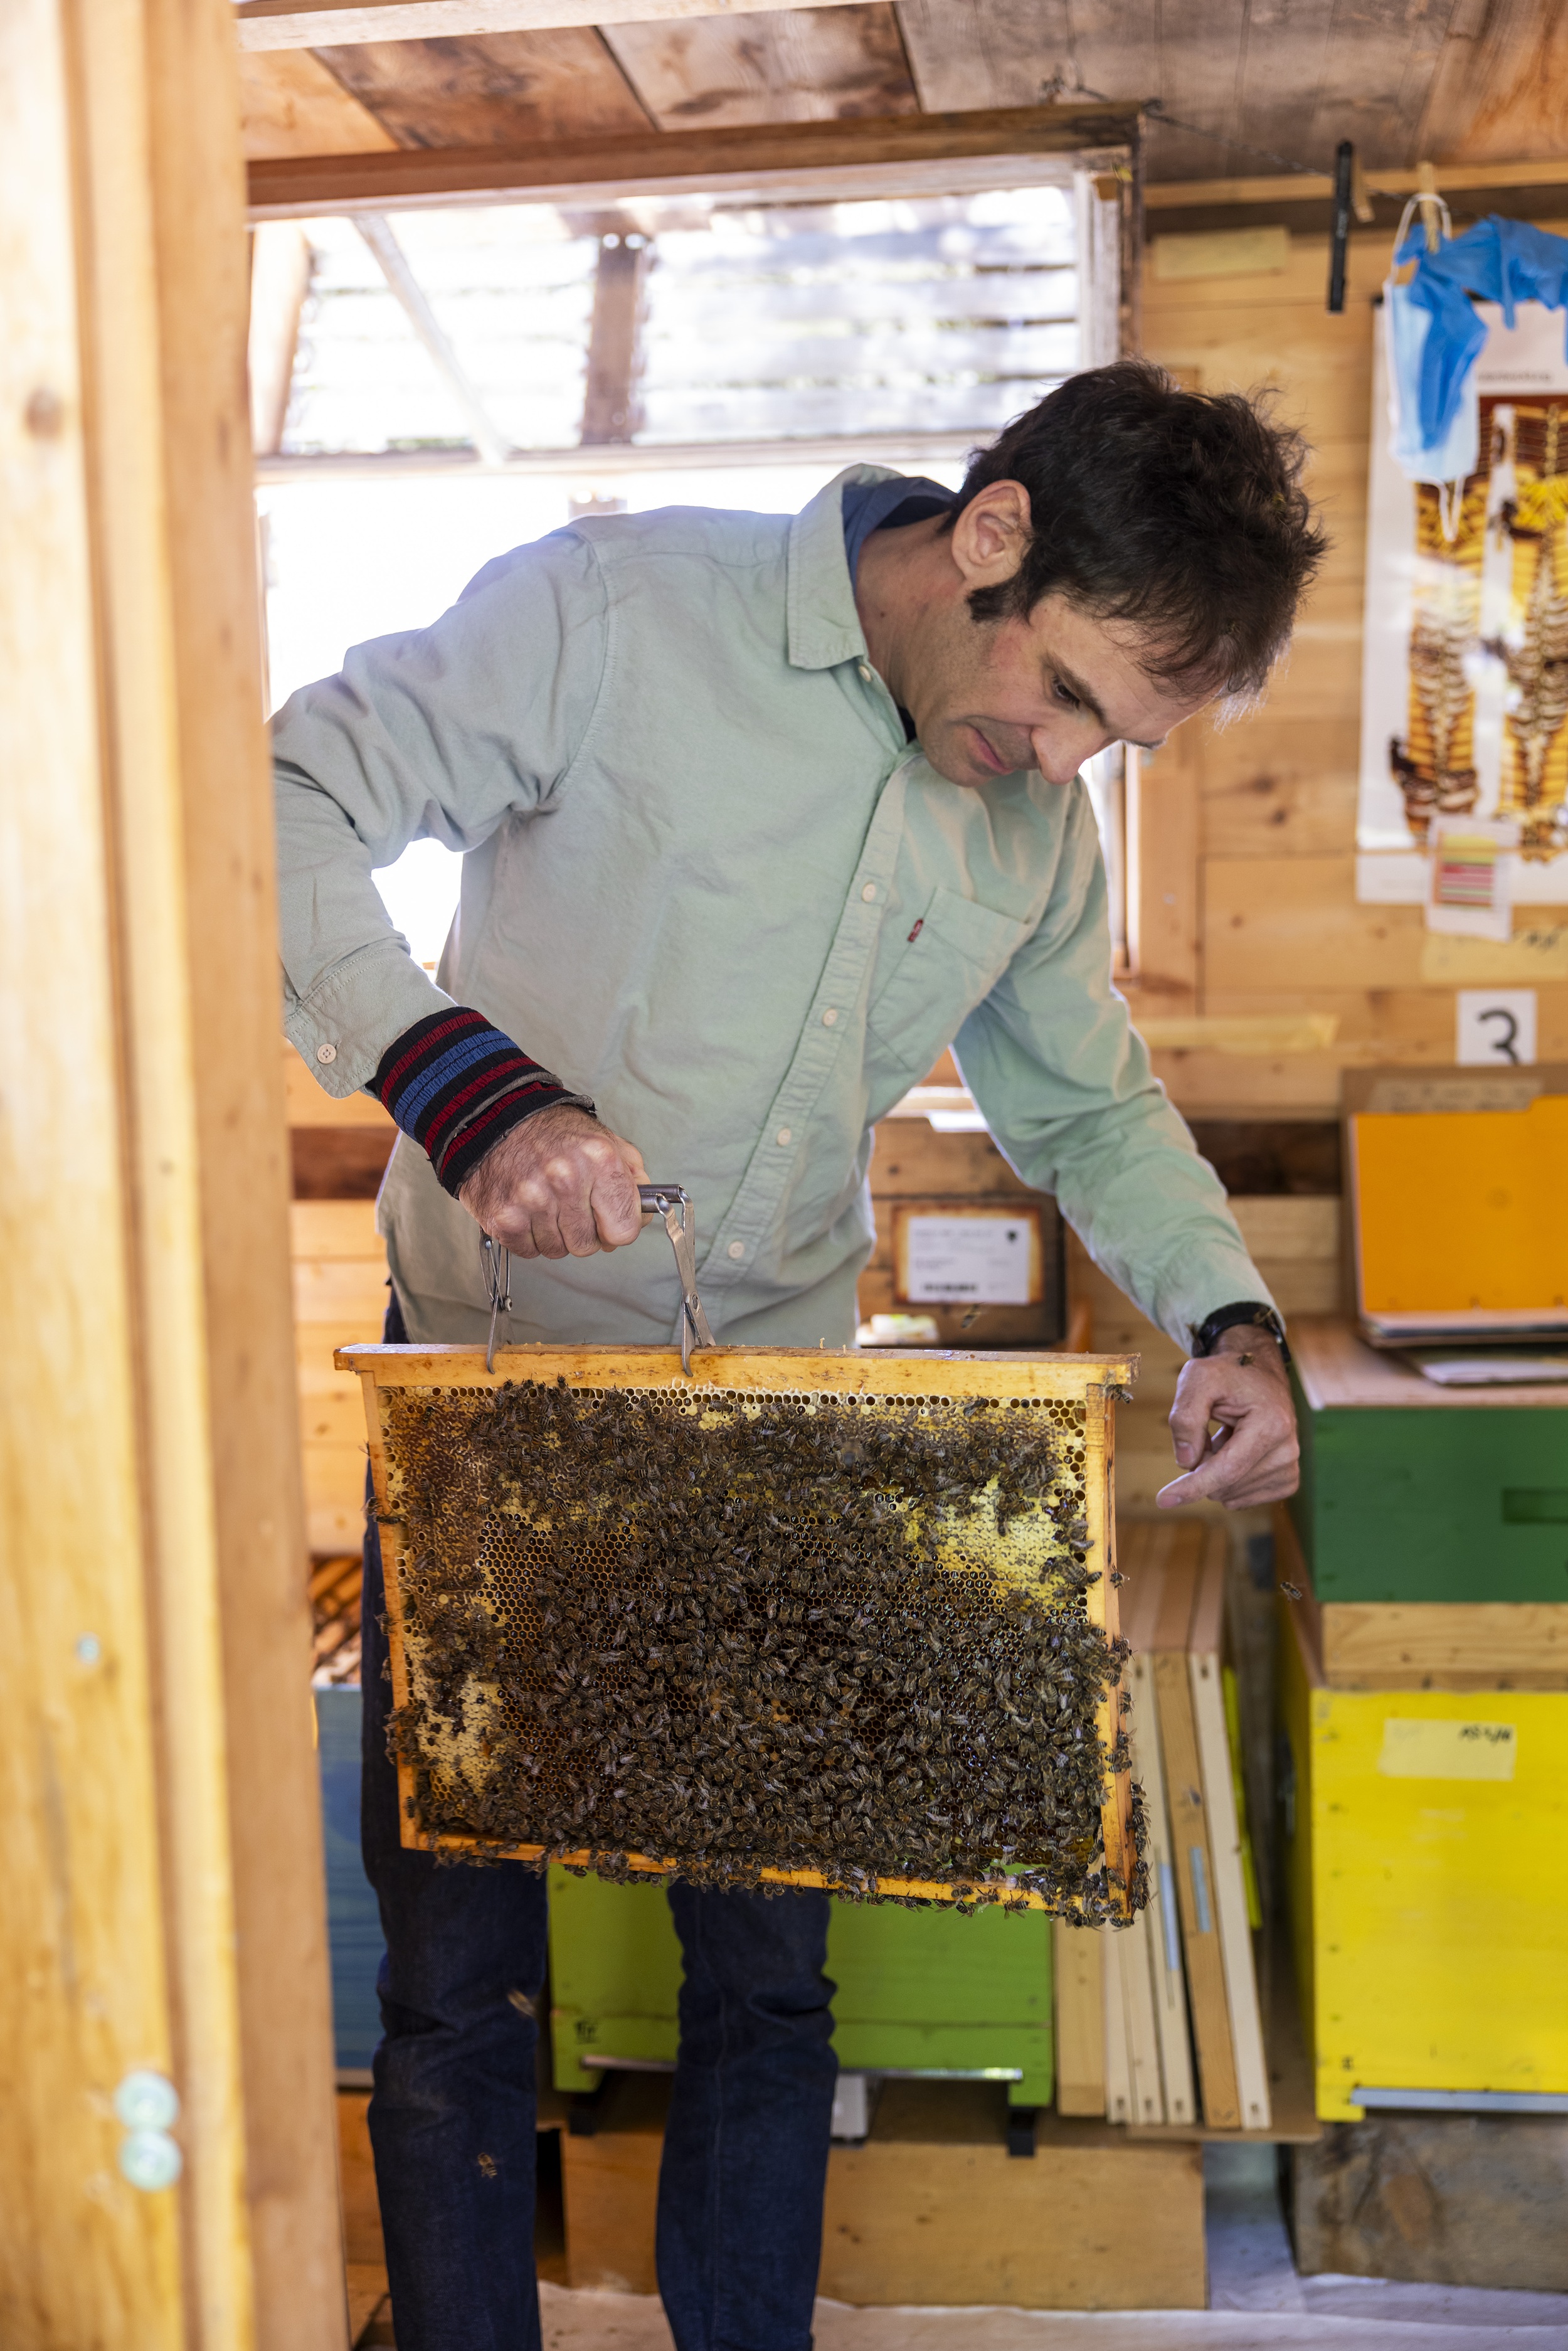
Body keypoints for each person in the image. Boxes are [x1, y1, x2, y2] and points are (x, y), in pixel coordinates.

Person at [273, 358, 1322, 2351]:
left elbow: (1086, 1111)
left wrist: (1233, 1318)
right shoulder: (606, 614)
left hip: (771, 1439)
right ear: (992, 537)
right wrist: (466, 1087)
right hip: (480, 1415)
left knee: (765, 1988)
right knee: (454, 1988)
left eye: (1124, 741)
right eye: (1077, 696)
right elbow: (289, 787)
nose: (1066, 759)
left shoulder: (1026, 833)